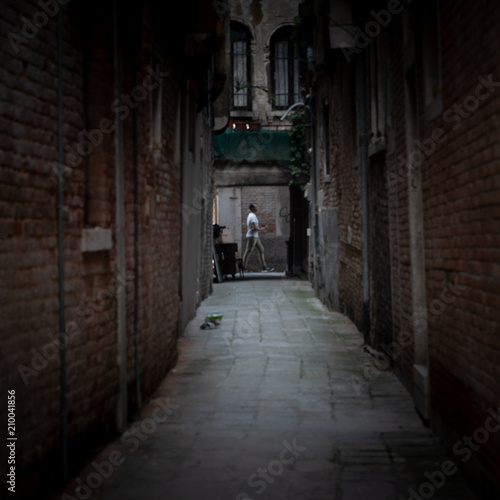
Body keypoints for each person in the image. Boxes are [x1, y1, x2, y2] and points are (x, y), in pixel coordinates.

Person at [242, 203, 274, 272]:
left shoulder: (251, 215)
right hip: (252, 237)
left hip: (255, 237)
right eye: (255, 207)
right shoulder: (252, 216)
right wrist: (263, 228)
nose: (256, 208)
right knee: (248, 251)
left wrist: (260, 228)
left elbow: (254, 228)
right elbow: (254, 228)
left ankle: (264, 267)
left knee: (261, 249)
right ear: (252, 208)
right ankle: (243, 267)